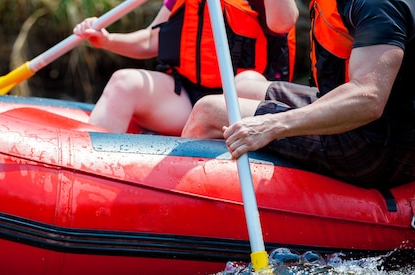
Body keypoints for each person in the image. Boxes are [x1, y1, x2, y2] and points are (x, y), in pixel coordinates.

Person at [182, 0, 415, 189]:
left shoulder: (376, 5)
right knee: (243, 84)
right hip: (358, 124)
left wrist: (272, 125)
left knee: (207, 111)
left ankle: (184, 208)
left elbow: (369, 98)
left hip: (376, 148)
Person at [73, 0, 298, 135]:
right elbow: (151, 40)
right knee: (124, 82)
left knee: (245, 83)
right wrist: (107, 40)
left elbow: (283, 22)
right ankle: (89, 171)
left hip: (239, 105)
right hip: (186, 97)